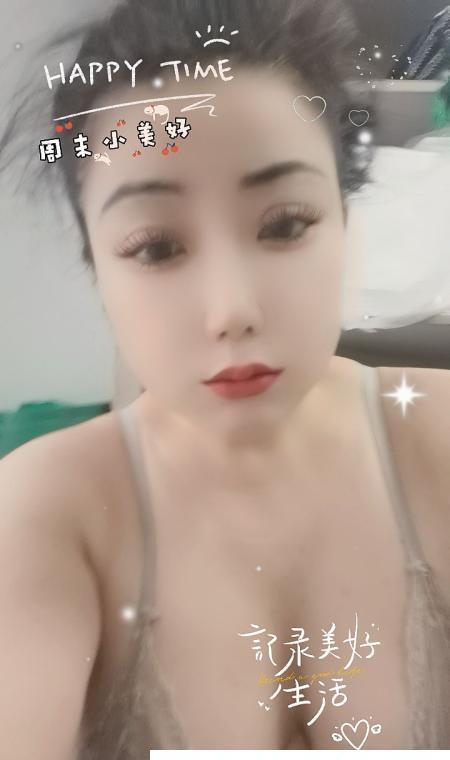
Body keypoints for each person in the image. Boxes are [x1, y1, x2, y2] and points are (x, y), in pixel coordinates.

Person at [0, 0, 449, 756]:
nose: (232, 310)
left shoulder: (439, 442)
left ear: (345, 223)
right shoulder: (43, 515)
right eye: (155, 247)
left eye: (285, 224)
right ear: (97, 269)